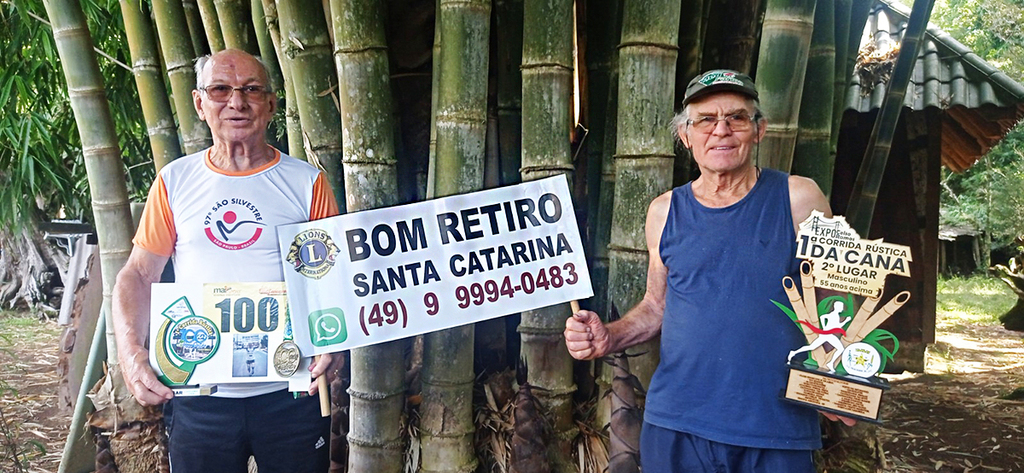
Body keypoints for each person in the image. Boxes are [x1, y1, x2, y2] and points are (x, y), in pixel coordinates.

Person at [564, 69, 854, 473]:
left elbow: (834, 299)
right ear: (686, 135)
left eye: (736, 117)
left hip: (775, 424)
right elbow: (656, 306)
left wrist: (844, 384)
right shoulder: (664, 211)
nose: (721, 130)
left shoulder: (800, 198)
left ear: (759, 130)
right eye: (705, 120)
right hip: (677, 424)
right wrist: (607, 337)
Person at [113, 49, 339, 473]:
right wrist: (131, 352)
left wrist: (336, 339)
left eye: (252, 90)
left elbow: (329, 278)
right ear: (200, 103)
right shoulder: (175, 182)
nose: (237, 102)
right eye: (220, 90)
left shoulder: (306, 181)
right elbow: (140, 274)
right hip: (198, 391)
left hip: (292, 390)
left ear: (271, 104)